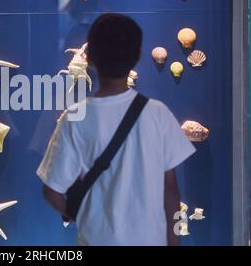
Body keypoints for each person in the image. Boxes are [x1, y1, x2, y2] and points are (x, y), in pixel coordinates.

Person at [37, 13, 196, 246]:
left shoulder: (74, 118)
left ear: (89, 58)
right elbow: (170, 191)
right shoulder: (158, 114)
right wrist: (174, 241)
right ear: (138, 56)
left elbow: (52, 191)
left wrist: (81, 216)